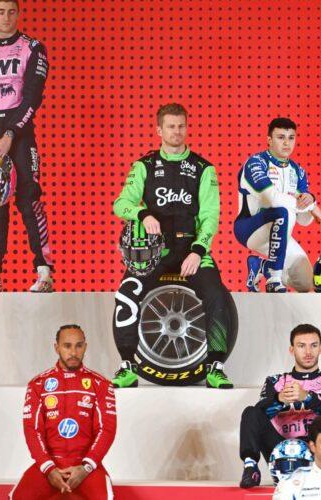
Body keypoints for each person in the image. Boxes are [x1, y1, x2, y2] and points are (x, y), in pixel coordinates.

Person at [111, 103, 234, 389]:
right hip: (154, 252)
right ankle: (127, 365)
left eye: (181, 126)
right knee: (127, 293)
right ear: (159, 130)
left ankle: (215, 367)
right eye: (171, 126)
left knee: (216, 294)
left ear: (186, 128)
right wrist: (142, 214)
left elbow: (210, 216)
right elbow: (121, 204)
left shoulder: (204, 168)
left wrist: (198, 251)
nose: (176, 132)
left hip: (192, 249)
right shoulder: (144, 165)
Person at [0, 0, 54, 293]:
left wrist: (11, 133)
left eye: (11, 12)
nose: (6, 17)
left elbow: (33, 96)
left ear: (18, 14)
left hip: (20, 133)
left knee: (29, 199)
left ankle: (44, 271)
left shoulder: (32, 48)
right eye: (0, 12)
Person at [11, 325, 116, 499]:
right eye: (67, 346)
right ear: (56, 347)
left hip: (85, 466)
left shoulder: (101, 384)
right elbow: (32, 430)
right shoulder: (38, 384)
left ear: (85, 347)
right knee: (18, 497)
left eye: (79, 346)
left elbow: (107, 429)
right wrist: (48, 468)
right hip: (50, 465)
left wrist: (86, 467)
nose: (73, 352)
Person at [239, 324, 321, 488]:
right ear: (292, 350)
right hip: (278, 447)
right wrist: (279, 399)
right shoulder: (275, 381)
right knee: (251, 411)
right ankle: (250, 467)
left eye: (314, 345)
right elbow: (259, 414)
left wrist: (308, 397)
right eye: (301, 346)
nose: (308, 352)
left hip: (316, 448)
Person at [234, 118, 321, 293]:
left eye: (291, 138)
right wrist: (312, 206)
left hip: (280, 231)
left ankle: (260, 266)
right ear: (269, 140)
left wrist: (309, 201)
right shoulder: (256, 163)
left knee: (305, 281)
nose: (286, 143)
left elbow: (303, 221)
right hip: (249, 229)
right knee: (284, 211)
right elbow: (272, 200)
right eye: (281, 137)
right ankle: (273, 277)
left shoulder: (298, 171)